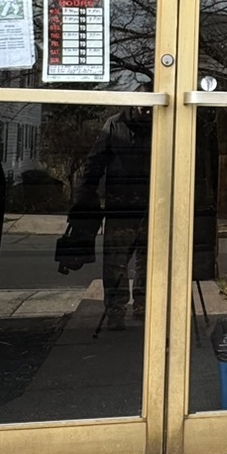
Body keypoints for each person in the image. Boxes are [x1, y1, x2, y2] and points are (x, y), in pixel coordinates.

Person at [54, 109, 152, 328]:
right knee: (116, 263)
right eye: (144, 108)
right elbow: (95, 162)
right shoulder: (115, 125)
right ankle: (116, 311)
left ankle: (144, 306)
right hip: (121, 206)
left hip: (153, 207)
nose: (147, 112)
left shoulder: (159, 122)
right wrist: (85, 197)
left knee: (149, 262)